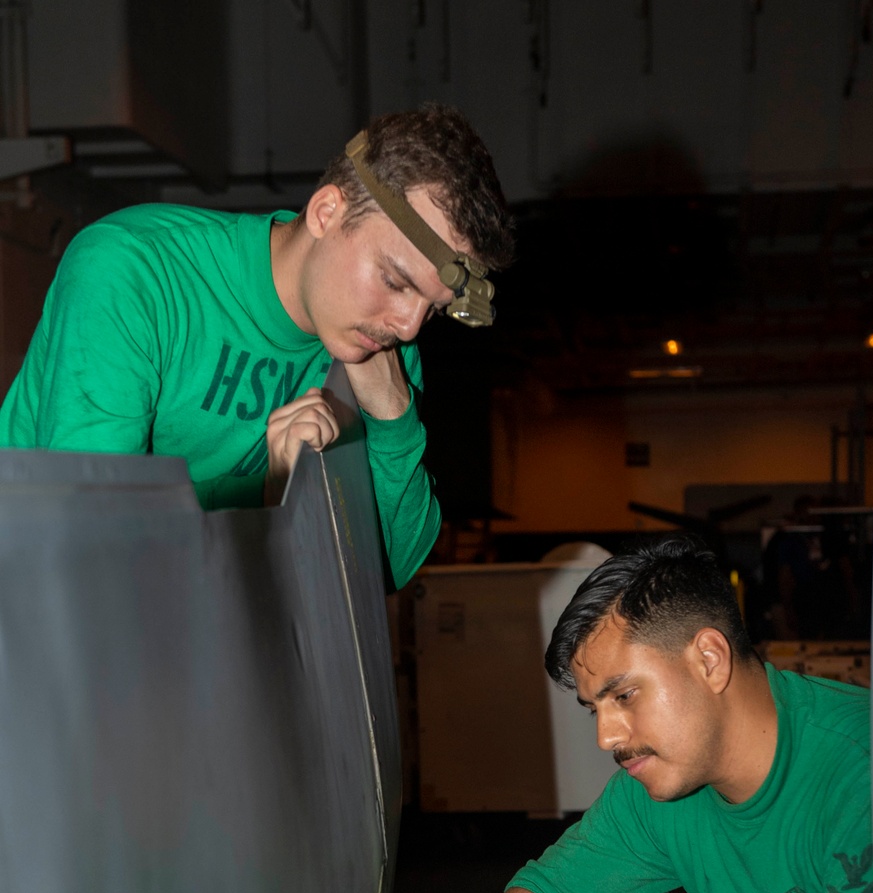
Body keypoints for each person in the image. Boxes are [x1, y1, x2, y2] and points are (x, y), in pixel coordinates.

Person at [0, 103, 514, 588]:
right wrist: (275, 509)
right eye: (397, 281)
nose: (407, 326)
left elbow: (385, 573)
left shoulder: (379, 351)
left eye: (433, 306)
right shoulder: (133, 273)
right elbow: (96, 546)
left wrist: (394, 419)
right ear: (326, 211)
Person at [466, 536, 873, 893]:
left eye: (624, 696)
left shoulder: (865, 774)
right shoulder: (661, 781)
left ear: (708, 660)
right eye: (593, 708)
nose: (606, 736)